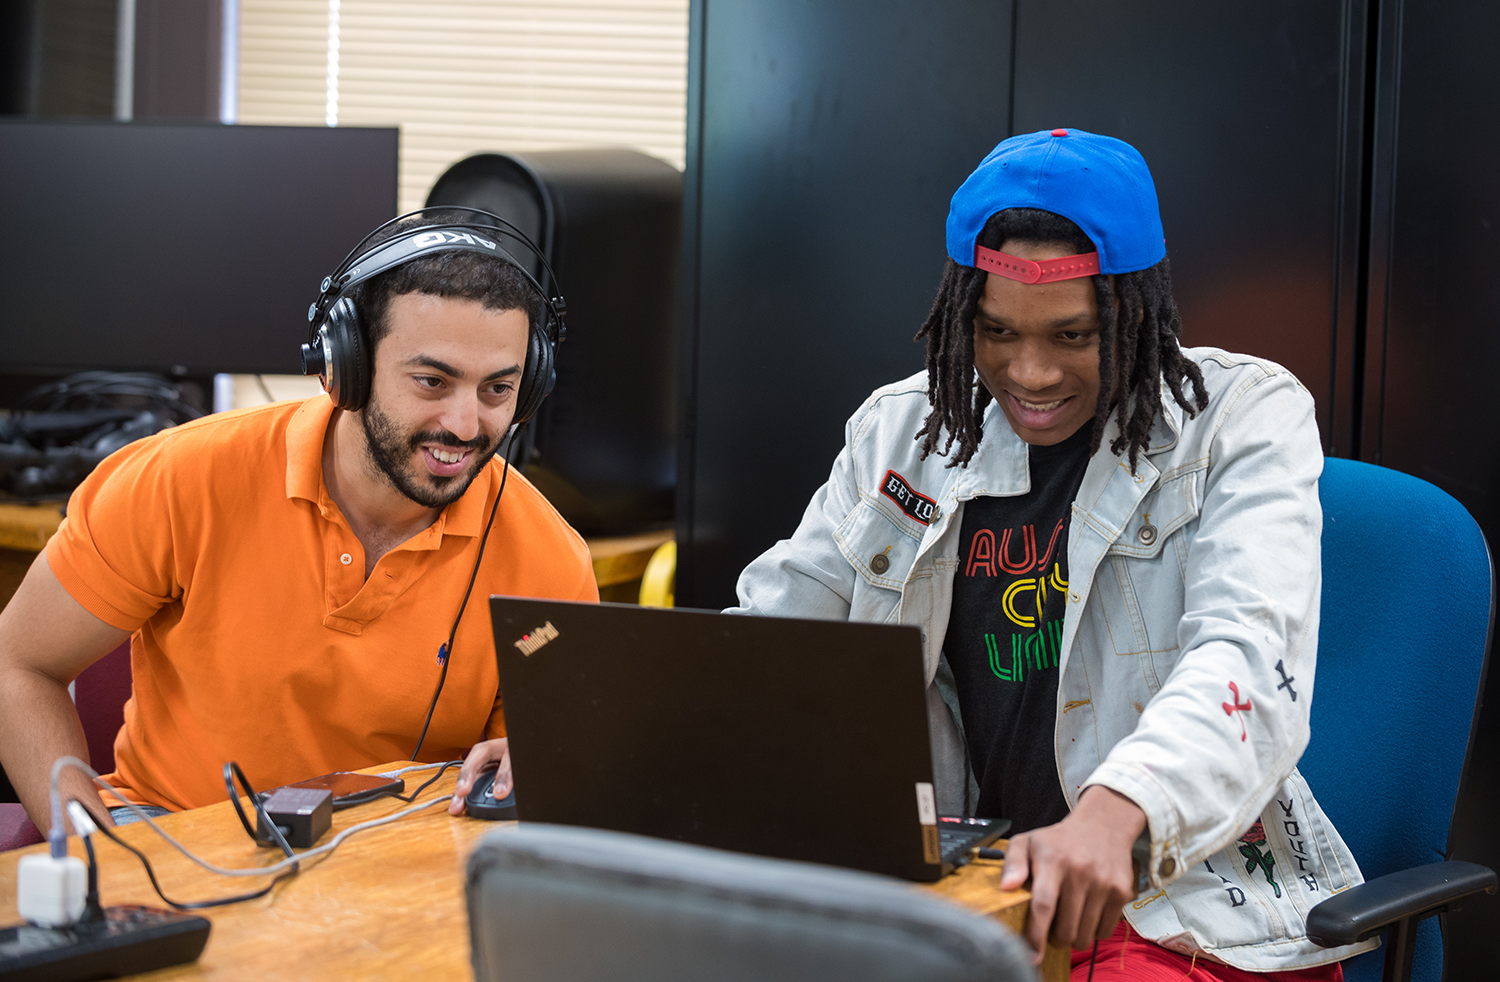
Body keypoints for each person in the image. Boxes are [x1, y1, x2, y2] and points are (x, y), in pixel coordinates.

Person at [730, 130, 1377, 979]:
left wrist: (1119, 811)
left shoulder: (1245, 418)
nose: (1030, 374)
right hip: (975, 905)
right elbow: (774, 634)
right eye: (996, 333)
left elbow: (1249, 659)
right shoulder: (903, 431)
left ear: (1136, 311)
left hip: (1178, 916)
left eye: (1072, 337)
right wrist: (607, 725)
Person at [0, 211, 596, 834]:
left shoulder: (550, 560)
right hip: (176, 839)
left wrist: (527, 765)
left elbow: (533, 763)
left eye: (498, 390)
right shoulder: (180, 479)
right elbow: (18, 665)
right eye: (431, 380)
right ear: (347, 366)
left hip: (397, 867)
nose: (467, 425)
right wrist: (94, 851)